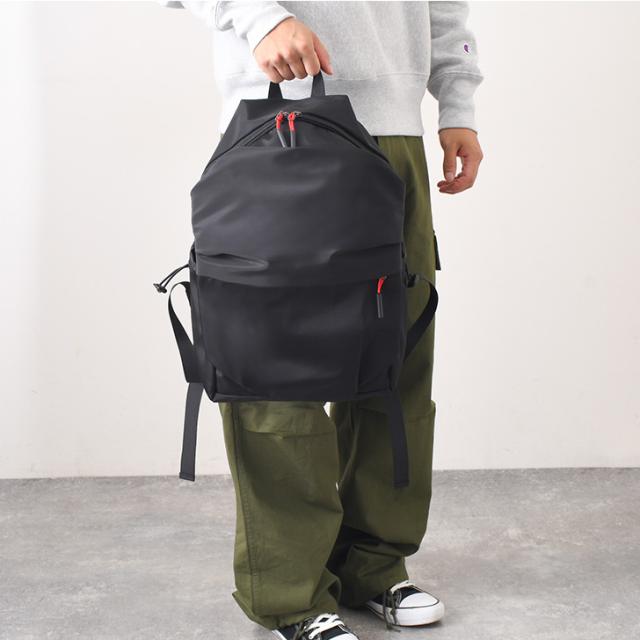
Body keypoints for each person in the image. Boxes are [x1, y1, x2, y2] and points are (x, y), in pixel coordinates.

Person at [163, 2, 483, 638]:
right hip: (275, 123)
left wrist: (457, 102)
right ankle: (292, 593)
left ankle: (374, 565)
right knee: (273, 372)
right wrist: (259, 19)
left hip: (395, 132)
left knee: (393, 362)